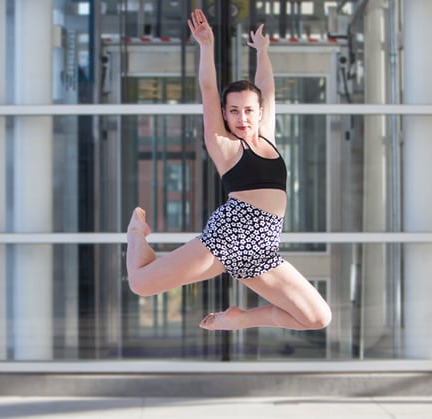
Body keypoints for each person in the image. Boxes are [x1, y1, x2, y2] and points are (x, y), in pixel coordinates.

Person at [126, 9, 332, 331]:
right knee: (140, 283)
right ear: (225, 113)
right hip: (226, 241)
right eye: (233, 111)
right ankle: (137, 235)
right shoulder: (226, 146)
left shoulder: (267, 138)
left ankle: (240, 319)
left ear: (259, 111)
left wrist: (262, 52)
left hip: (262, 253)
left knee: (318, 318)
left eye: (249, 110)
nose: (242, 118)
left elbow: (266, 87)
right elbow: (209, 89)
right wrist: (206, 47)